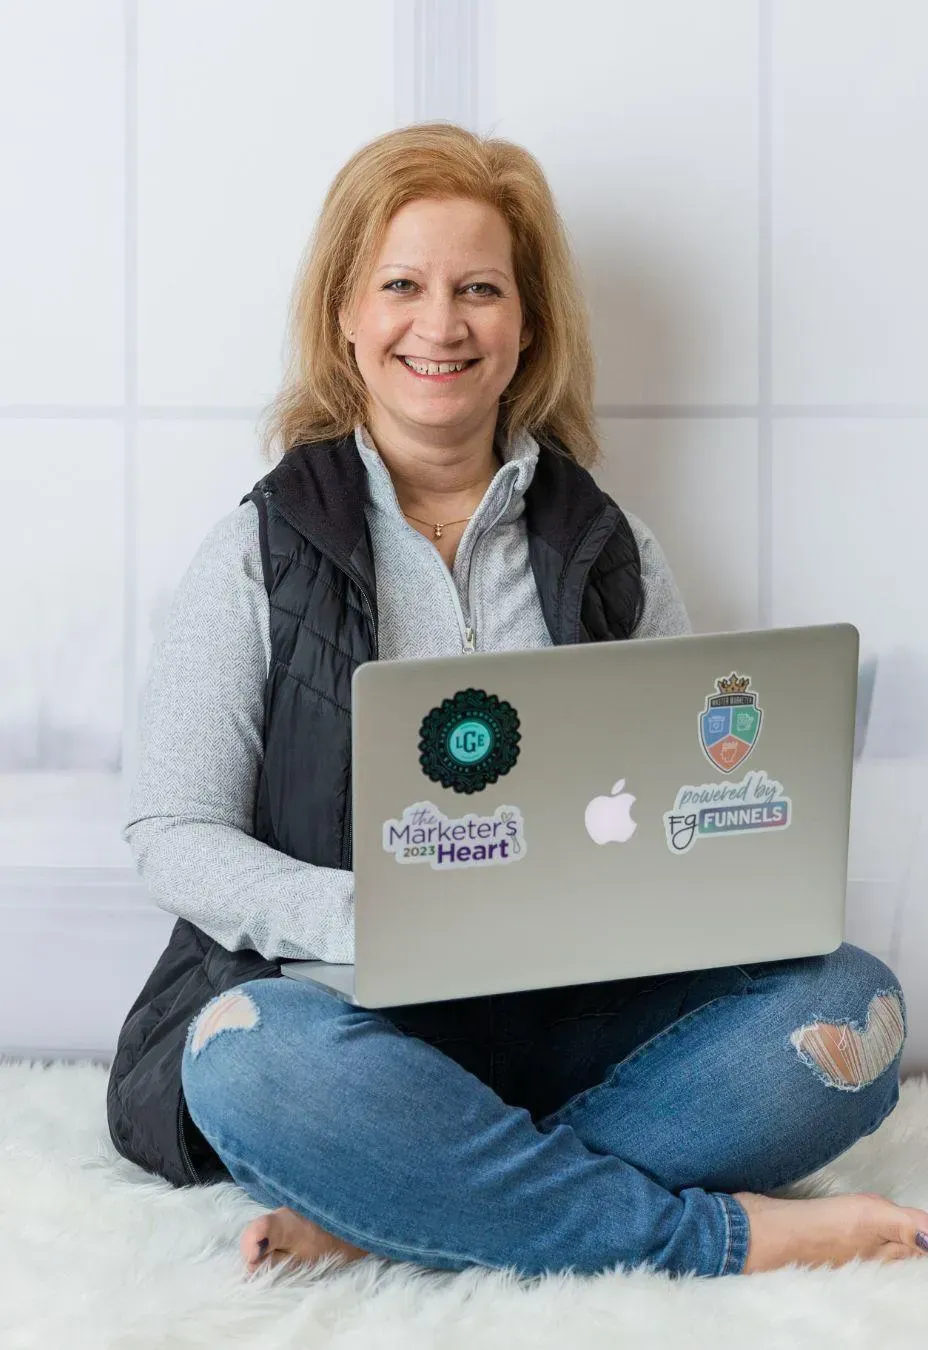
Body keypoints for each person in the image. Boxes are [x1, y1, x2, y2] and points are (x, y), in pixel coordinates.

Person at [107, 122, 928, 1282]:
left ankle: (403, 1200)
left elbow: (682, 815)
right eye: (401, 285)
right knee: (242, 1058)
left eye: (478, 289)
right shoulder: (257, 550)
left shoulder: (612, 550)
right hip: (351, 1027)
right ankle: (706, 1239)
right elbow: (171, 834)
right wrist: (369, 921)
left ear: (527, 323)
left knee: (856, 1011)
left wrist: (720, 868)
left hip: (574, 1023)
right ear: (344, 314)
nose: (438, 324)